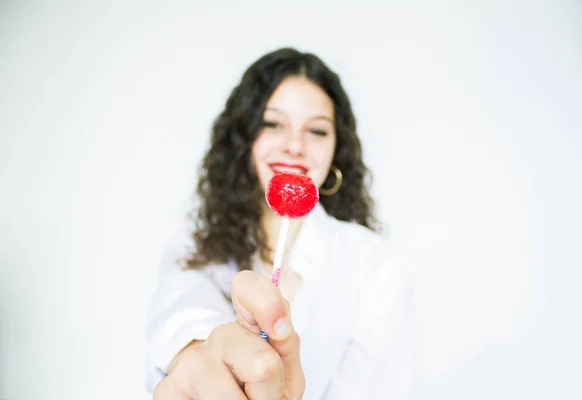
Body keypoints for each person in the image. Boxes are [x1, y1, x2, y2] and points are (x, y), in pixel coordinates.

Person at [145, 47, 415, 399]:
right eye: (272, 124)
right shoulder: (193, 251)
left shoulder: (377, 268)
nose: (294, 146)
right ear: (244, 141)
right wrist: (198, 353)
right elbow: (179, 316)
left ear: (337, 150)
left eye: (316, 131)